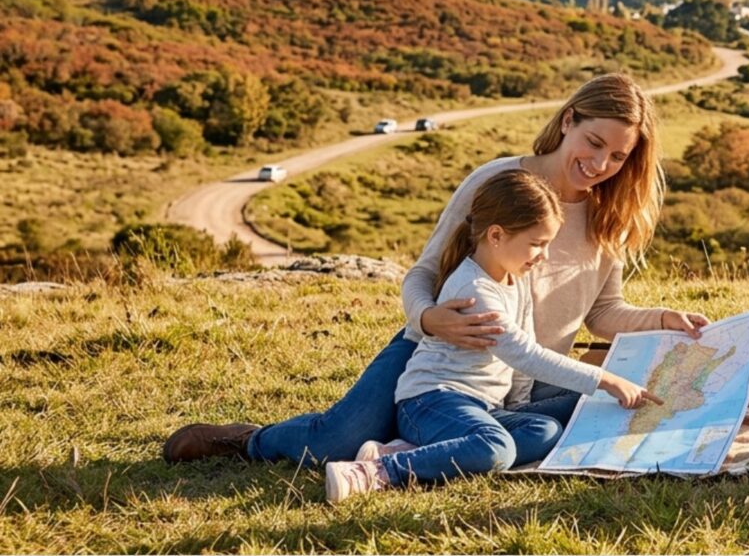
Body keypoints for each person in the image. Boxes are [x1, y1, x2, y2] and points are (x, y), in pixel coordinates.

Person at [163, 72, 708, 466]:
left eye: (618, 157)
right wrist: (428, 320)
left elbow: (604, 315)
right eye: (594, 143)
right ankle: (247, 441)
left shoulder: (607, 216)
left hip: (522, 381)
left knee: (565, 423)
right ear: (569, 120)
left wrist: (663, 317)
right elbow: (423, 273)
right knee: (335, 442)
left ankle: (424, 441)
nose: (601, 165)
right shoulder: (498, 184)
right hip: (435, 354)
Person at [322, 169, 659, 502]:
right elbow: (523, 353)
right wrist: (605, 379)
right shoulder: (475, 289)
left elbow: (521, 359)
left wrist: (520, 407)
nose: (544, 256)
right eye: (537, 244)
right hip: (431, 402)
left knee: (546, 429)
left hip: (482, 406)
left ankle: (406, 451)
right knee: (496, 447)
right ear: (496, 236)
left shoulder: (515, 277)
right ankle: (376, 472)